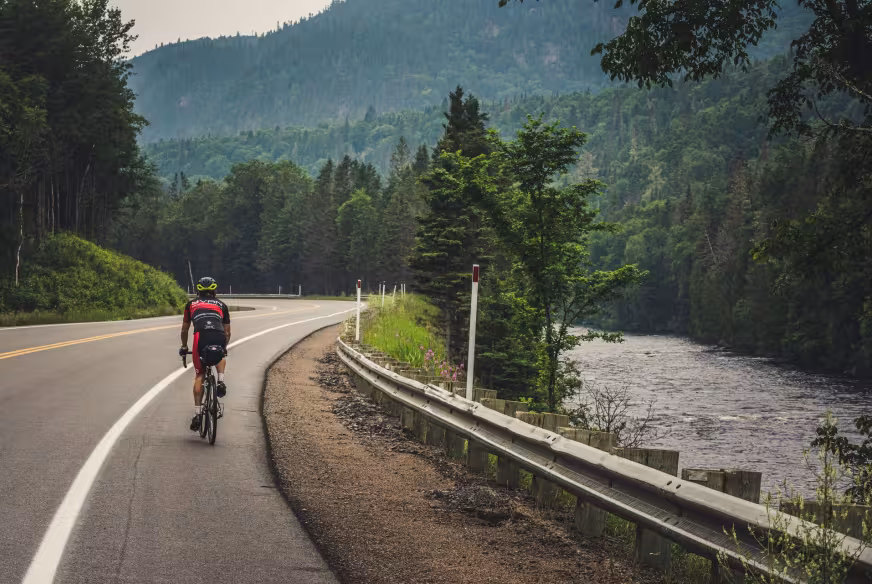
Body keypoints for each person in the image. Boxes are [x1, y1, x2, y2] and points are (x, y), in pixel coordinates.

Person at [179, 276, 231, 431]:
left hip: (200, 336)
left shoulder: (191, 304)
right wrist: (224, 346)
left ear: (198, 290)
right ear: (214, 290)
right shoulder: (222, 304)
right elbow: (227, 332)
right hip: (218, 334)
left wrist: (183, 346)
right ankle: (221, 380)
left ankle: (197, 414)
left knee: (200, 375)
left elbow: (184, 329)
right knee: (220, 353)